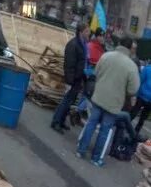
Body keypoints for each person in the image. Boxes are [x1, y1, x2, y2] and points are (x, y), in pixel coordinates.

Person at [77, 37, 141, 167]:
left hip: (99, 97)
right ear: (129, 48)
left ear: (119, 44)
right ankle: (95, 158)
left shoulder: (106, 56)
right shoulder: (131, 66)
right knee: (105, 130)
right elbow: (133, 89)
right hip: (113, 103)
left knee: (91, 124)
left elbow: (96, 73)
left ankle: (81, 150)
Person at [51, 25, 89, 133]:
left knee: (70, 102)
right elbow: (69, 65)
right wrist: (69, 81)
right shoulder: (73, 44)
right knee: (66, 101)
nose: (88, 34)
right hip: (72, 79)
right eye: (87, 31)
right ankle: (56, 122)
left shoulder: (82, 45)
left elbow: (82, 62)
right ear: (81, 32)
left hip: (77, 78)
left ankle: (62, 121)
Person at [130, 62, 151, 135]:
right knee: (143, 118)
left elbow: (140, 80)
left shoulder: (147, 68)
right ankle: (136, 132)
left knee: (134, 112)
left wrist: (136, 93)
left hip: (142, 95)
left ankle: (125, 127)